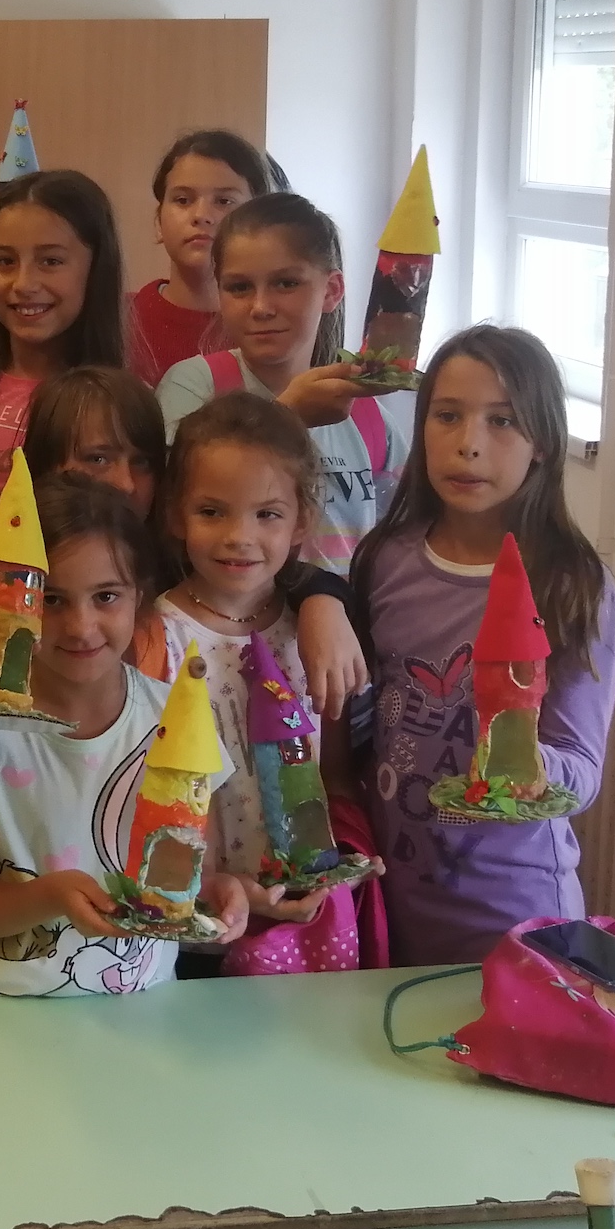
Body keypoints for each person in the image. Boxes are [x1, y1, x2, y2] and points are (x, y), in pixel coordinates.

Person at [343, 325, 615, 964]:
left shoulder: (572, 587)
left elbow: (581, 769)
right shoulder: (386, 560)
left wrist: (528, 767)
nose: (468, 443)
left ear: (542, 444)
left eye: (502, 421)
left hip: (517, 913)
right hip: (394, 897)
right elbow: (361, 722)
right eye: (447, 415)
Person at [0, 476, 250, 996]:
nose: (81, 626)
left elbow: (192, 870)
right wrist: (51, 896)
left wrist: (220, 891)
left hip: (142, 1010)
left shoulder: (177, 719)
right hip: (0, 1010)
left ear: (139, 596)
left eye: (105, 596)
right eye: (52, 599)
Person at [141, 393, 381, 975]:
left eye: (267, 514)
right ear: (175, 514)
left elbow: (332, 777)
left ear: (302, 519)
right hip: (189, 931)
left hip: (301, 927)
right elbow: (137, 796)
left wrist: (345, 859)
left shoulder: (315, 635)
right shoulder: (154, 638)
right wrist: (214, 887)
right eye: (212, 511)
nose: (239, 536)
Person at [156, 193, 410, 575]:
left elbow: (403, 538)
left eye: (286, 283)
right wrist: (288, 416)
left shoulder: (368, 417)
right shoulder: (196, 387)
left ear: (331, 290)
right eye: (239, 287)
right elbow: (171, 519)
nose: (261, 307)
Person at [0, 167, 127, 501]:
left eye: (50, 261)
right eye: (5, 261)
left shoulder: (116, 406)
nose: (23, 284)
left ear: (96, 270)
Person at [124, 131, 282, 387]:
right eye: (183, 200)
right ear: (158, 223)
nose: (201, 215)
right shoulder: (116, 320)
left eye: (224, 201)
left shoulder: (273, 325)